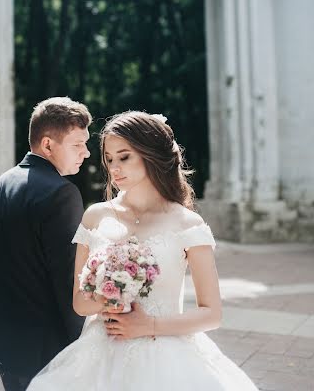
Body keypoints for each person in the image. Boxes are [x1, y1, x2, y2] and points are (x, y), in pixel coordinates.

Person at [27, 110, 258, 391]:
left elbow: (212, 314)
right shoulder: (95, 217)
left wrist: (147, 325)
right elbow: (80, 303)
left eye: (124, 157)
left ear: (150, 155)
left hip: (168, 355)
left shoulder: (187, 223)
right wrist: (112, 293)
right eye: (109, 159)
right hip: (101, 353)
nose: (114, 168)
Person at [0, 97, 92, 391]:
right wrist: (83, 345)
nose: (86, 153)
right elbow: (68, 279)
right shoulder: (61, 194)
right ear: (48, 145)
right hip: (47, 350)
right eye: (77, 144)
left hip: (4, 345)